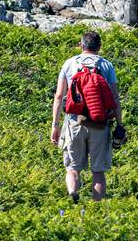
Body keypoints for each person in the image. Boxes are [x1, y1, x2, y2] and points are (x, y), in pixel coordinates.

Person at [50, 30, 121, 203]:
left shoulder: (69, 63)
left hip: (74, 122)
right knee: (98, 172)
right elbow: (115, 97)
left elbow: (59, 96)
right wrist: (119, 124)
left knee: (72, 168)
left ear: (81, 45)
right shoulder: (107, 66)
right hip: (100, 124)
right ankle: (95, 209)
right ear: (99, 47)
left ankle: (73, 195)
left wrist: (55, 125)